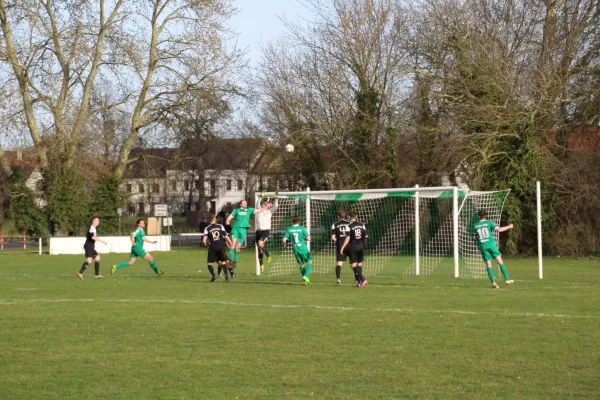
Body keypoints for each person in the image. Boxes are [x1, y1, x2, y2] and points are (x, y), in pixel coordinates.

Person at [472, 209, 514, 288]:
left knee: (488, 265)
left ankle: (494, 283)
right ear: (486, 216)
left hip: (483, 246)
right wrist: (509, 226)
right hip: (491, 245)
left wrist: (478, 237)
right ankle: (507, 280)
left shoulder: (475, 225)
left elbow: (474, 238)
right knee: (500, 261)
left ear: (479, 216)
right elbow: (498, 230)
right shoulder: (489, 223)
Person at [225, 200, 268, 277]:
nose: (246, 203)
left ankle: (235, 261)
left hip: (243, 230)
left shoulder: (249, 210)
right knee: (233, 243)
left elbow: (259, 210)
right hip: (235, 228)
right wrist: (227, 222)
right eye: (244, 202)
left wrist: (266, 207)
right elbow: (229, 218)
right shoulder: (236, 210)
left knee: (238, 246)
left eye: (246, 202)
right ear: (240, 204)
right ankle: (230, 260)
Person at [340, 210, 368, 288]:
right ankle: (359, 283)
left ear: (349, 217)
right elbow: (366, 236)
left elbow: (348, 237)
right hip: (361, 246)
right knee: (359, 264)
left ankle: (362, 279)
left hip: (353, 247)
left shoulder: (348, 226)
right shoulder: (362, 225)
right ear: (356, 217)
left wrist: (342, 247)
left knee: (353, 265)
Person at [283, 215, 313, 285]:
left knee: (301, 264)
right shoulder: (302, 228)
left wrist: (285, 245)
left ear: (292, 221)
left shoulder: (289, 229)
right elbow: (309, 238)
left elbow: (284, 239)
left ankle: (305, 280)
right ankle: (306, 276)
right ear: (299, 221)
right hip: (303, 249)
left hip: (295, 249)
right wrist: (303, 238)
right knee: (310, 261)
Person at [202, 214, 233, 282]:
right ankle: (227, 278)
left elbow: (204, 240)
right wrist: (230, 242)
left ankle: (214, 275)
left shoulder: (207, 228)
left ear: (209, 220)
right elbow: (226, 236)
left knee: (209, 263)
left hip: (213, 246)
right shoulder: (220, 226)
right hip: (221, 246)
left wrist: (205, 245)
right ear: (215, 219)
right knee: (223, 262)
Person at [255, 191, 278, 272]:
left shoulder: (270, 211)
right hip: (258, 231)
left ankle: (268, 255)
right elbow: (258, 202)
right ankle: (261, 264)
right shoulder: (259, 209)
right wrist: (261, 196)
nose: (266, 203)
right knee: (259, 248)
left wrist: (276, 198)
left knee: (260, 244)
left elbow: (276, 206)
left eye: (267, 203)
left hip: (265, 231)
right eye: (265, 202)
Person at [331, 209, 350, 284]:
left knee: (339, 263)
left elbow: (333, 237)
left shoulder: (334, 225)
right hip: (349, 245)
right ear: (345, 216)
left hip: (340, 245)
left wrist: (337, 241)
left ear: (338, 217)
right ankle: (357, 279)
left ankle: (338, 279)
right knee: (354, 263)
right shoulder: (349, 223)